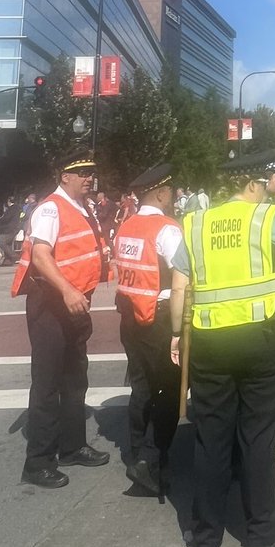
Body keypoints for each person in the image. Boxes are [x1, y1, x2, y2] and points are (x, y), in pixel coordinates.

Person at [170, 172, 275, 547]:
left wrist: (176, 334)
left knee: (211, 437)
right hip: (263, 338)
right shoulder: (271, 219)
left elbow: (180, 287)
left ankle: (206, 538)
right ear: (251, 184)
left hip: (210, 341)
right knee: (259, 435)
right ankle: (261, 534)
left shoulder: (196, 224)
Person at [11, 154, 110, 489]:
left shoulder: (82, 207)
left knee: (75, 379)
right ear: (64, 176)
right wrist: (68, 291)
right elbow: (41, 256)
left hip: (74, 303)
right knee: (47, 382)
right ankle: (37, 462)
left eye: (90, 172)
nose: (88, 177)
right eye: (80, 172)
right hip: (51, 304)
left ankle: (72, 446)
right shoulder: (51, 209)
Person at [113, 163, 185, 495]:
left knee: (140, 387)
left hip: (130, 315)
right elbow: (182, 275)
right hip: (159, 316)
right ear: (162, 193)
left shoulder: (126, 226)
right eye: (171, 192)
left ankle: (137, 452)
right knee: (168, 390)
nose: (173, 198)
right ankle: (151, 459)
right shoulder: (167, 229)